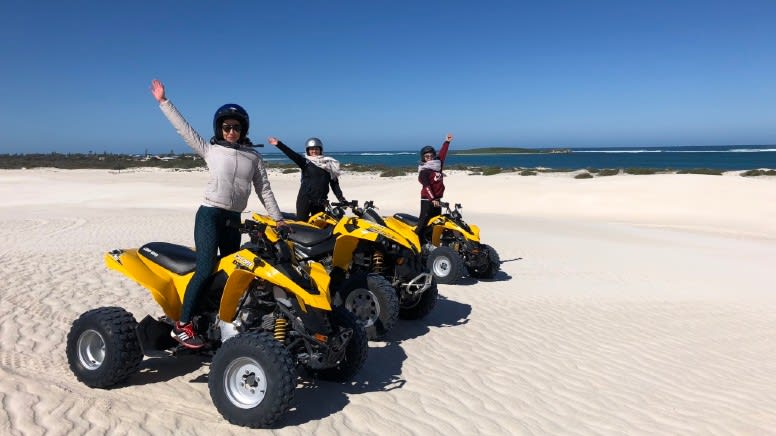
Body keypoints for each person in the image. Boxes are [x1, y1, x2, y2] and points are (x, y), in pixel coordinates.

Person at [150, 79, 287, 349]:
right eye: (227, 127)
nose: (231, 131)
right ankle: (183, 325)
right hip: (210, 214)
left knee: (229, 272)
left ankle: (217, 319)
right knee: (204, 269)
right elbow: (184, 130)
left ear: (243, 129)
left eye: (236, 127)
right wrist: (164, 102)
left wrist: (279, 219)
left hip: (233, 220)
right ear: (219, 129)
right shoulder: (211, 150)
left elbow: (265, 190)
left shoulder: (253, 157)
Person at [267, 136, 347, 221]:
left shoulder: (329, 165)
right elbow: (291, 154)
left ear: (320, 149)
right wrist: (279, 144)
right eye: (311, 149)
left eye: (316, 149)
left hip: (321, 201)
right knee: (301, 223)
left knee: (320, 226)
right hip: (305, 199)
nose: (314, 151)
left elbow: (334, 184)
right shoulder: (305, 162)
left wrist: (341, 198)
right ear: (307, 150)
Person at [416, 133, 453, 246]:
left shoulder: (438, 166)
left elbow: (442, 155)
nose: (430, 158)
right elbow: (427, 187)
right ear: (423, 158)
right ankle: (417, 243)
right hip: (427, 200)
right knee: (423, 222)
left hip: (437, 199)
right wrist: (432, 199)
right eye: (427, 156)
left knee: (436, 223)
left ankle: (431, 244)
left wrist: (446, 142)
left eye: (431, 155)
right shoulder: (424, 171)